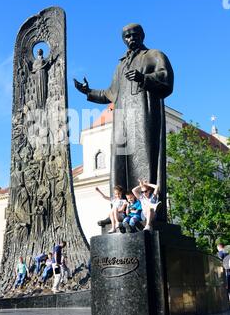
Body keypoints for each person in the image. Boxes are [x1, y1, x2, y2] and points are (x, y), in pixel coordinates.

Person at [74, 23, 174, 220]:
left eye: (135, 35)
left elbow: (166, 78)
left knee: (144, 159)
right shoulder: (120, 65)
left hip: (144, 116)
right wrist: (88, 91)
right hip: (122, 119)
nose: (131, 39)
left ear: (142, 35)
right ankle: (119, 211)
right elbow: (110, 93)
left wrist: (143, 78)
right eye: (127, 36)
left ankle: (149, 211)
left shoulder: (154, 55)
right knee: (119, 163)